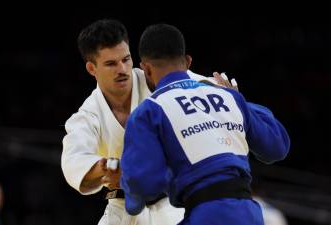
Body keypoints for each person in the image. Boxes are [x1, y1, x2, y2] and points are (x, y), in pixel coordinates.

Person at [120, 24, 290, 225]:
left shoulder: (149, 111)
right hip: (249, 214)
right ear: (188, 62)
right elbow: (277, 147)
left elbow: (145, 185)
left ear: (146, 69)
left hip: (205, 215)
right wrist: (241, 100)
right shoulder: (229, 97)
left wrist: (130, 191)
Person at [61, 19, 227, 225]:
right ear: (91, 68)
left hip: (174, 203)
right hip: (123, 208)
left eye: (126, 59)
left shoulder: (155, 78)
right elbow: (74, 161)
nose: (122, 69)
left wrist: (228, 93)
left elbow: (204, 86)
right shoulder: (88, 116)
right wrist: (107, 169)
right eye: (111, 63)